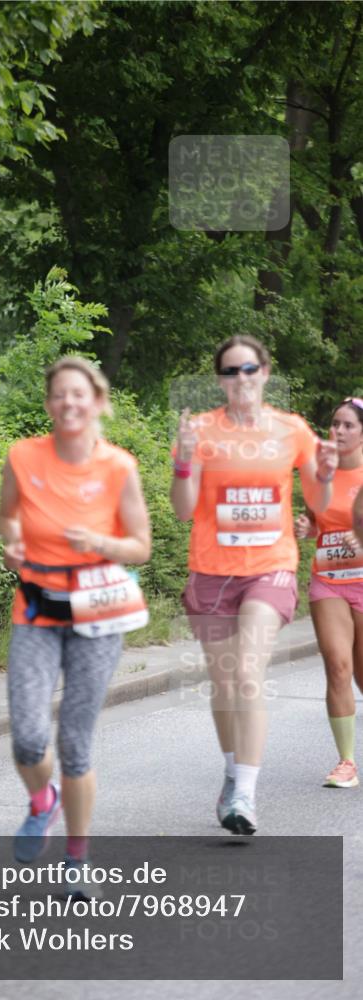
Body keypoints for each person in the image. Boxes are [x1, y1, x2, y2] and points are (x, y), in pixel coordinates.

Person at [170, 335, 337, 835]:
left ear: (264, 372)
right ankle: (231, 773)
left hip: (271, 566)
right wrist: (183, 461)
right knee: (223, 686)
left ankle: (245, 792)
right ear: (219, 379)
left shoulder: (292, 430)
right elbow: (183, 509)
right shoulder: (200, 429)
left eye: (248, 369)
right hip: (210, 570)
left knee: (246, 673)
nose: (239, 379)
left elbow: (319, 501)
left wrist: (324, 475)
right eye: (229, 371)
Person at [0, 356, 151, 895]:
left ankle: (77, 862)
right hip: (37, 609)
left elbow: (141, 546)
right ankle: (43, 801)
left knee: (75, 744)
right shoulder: (22, 456)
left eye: (79, 394)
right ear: (48, 404)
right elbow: (8, 515)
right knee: (28, 736)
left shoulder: (118, 467)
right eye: (59, 394)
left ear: (98, 401)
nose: (69, 403)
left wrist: (102, 544)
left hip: (98, 614)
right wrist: (11, 542)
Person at [294, 397, 363, 788]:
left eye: (348, 425)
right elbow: (323, 525)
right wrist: (310, 530)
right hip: (329, 581)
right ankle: (346, 763)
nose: (337, 431)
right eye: (334, 424)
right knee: (338, 665)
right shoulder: (319, 476)